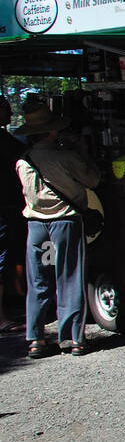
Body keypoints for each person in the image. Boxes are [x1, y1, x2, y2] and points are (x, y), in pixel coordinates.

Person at [15, 97, 101, 356]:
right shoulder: (66, 158)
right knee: (69, 278)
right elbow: (93, 179)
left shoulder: (23, 162)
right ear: (52, 130)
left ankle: (36, 339)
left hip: (37, 228)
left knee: (39, 280)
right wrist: (82, 152)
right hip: (64, 223)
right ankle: (74, 339)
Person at [0, 98, 26, 332]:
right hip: (4, 207)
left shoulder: (6, 139)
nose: (9, 112)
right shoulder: (5, 143)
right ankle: (1, 317)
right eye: (4, 109)